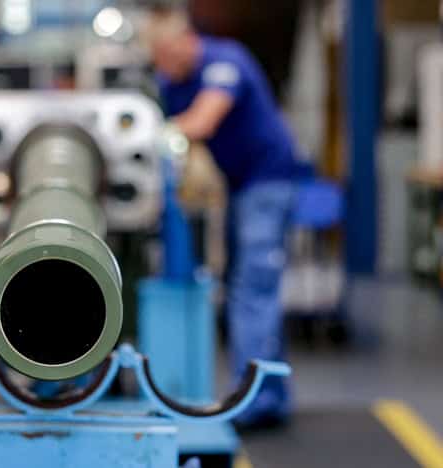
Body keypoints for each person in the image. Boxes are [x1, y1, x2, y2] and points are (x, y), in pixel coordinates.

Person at [148, 10, 310, 428]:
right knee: (245, 285)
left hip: (269, 181)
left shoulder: (225, 62)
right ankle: (270, 395)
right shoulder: (172, 80)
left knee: (252, 287)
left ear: (186, 40)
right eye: (156, 57)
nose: (162, 65)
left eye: (166, 54)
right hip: (238, 186)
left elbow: (202, 122)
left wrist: (150, 132)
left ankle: (253, 399)